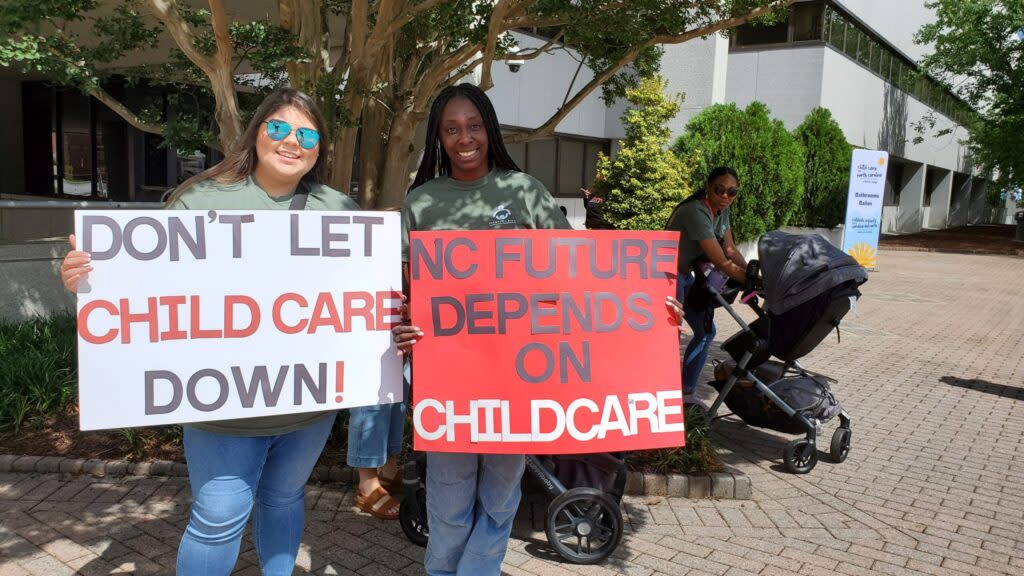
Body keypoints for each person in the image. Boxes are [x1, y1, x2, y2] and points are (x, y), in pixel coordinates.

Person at [59, 88, 358, 575]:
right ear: (257, 133)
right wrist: (89, 278)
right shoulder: (200, 201)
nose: (291, 141)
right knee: (217, 518)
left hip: (308, 403)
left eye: (306, 133)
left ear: (319, 147)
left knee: (284, 500)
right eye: (278, 128)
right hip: (222, 405)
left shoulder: (340, 209)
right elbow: (146, 290)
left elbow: (359, 298)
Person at [392, 83, 571, 576]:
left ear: (489, 130)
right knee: (448, 505)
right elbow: (404, 293)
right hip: (446, 381)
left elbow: (577, 272)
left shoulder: (525, 191)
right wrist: (404, 327)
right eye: (451, 129)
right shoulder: (421, 203)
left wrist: (645, 304)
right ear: (439, 137)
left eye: (473, 126)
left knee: (499, 499)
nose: (464, 137)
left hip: (517, 376)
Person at [665, 166, 747, 411]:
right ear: (708, 186)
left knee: (705, 331)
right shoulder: (696, 211)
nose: (725, 196)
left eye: (731, 192)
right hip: (667, 276)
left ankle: (686, 394)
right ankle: (666, 397)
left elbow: (731, 250)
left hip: (684, 274)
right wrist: (751, 282)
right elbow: (721, 261)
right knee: (670, 337)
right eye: (719, 189)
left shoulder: (722, 211)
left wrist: (756, 275)